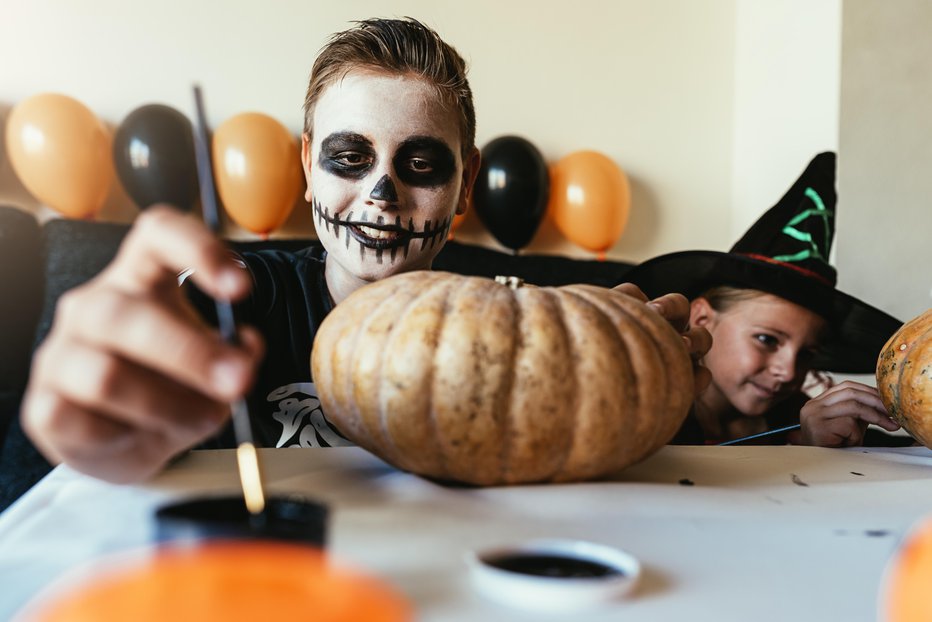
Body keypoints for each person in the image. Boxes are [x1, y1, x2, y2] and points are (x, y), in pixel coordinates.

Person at [20, 18, 711, 484]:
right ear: (307, 165)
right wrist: (97, 394)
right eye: (349, 157)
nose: (381, 194)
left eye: (420, 165)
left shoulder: (506, 327)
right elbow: (160, 335)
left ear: (465, 184)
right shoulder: (237, 297)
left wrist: (622, 368)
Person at [625, 152, 904, 447]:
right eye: (767, 339)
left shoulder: (797, 421)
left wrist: (819, 454)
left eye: (807, 354)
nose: (787, 371)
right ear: (702, 320)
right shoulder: (645, 415)